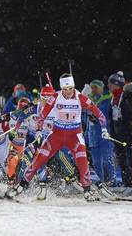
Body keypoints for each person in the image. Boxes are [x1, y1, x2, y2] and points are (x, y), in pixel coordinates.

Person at [6, 73, 110, 201]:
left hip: (74, 135)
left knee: (82, 161)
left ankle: (88, 189)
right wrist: (39, 129)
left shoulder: (80, 97)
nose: (68, 92)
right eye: (65, 89)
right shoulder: (55, 97)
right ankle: (21, 185)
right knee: (39, 159)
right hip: (57, 134)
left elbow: (99, 114)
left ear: (73, 87)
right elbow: (42, 115)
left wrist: (104, 129)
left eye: (70, 89)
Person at [84, 80, 115, 185]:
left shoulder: (107, 99)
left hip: (104, 134)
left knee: (107, 159)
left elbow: (107, 117)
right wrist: (86, 137)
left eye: (96, 87)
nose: (93, 90)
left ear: (101, 88)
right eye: (92, 88)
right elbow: (86, 121)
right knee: (96, 162)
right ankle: (100, 182)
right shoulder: (89, 101)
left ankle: (112, 180)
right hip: (92, 136)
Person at [107, 71, 132, 187]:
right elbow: (112, 117)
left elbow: (130, 116)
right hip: (117, 134)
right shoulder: (113, 97)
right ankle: (125, 183)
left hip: (126, 135)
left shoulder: (125, 97)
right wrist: (112, 134)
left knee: (129, 160)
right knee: (122, 160)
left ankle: (130, 184)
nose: (108, 86)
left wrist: (129, 135)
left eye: (110, 84)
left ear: (117, 85)